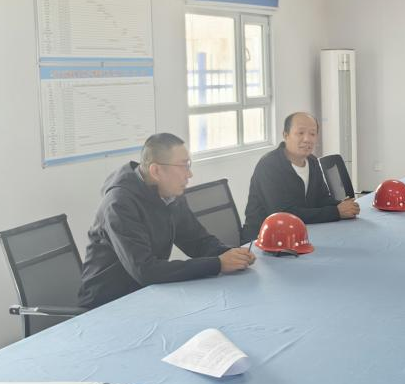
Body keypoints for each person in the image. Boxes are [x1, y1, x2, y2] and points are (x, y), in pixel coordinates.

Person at [79, 133, 254, 308]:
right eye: (183, 166)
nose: (189, 174)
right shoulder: (119, 204)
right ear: (156, 171)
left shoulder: (169, 194)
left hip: (148, 294)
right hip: (108, 305)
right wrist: (218, 264)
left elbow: (197, 242)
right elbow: (145, 270)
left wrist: (232, 254)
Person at [242, 112, 360, 242]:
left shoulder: (312, 161)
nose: (307, 139)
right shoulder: (269, 165)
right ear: (285, 135)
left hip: (301, 234)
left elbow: (322, 198)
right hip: (264, 240)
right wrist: (336, 212)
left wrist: (344, 206)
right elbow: (284, 214)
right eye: (300, 133)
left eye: (312, 134)